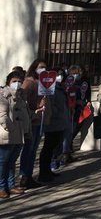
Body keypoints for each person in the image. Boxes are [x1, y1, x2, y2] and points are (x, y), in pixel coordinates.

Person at [18, 59, 49, 190]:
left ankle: (29, 175)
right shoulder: (29, 82)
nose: (43, 69)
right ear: (34, 67)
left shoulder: (43, 83)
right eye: (40, 67)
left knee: (33, 149)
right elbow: (21, 101)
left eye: (45, 67)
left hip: (39, 121)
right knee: (28, 150)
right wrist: (35, 109)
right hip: (31, 121)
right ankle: (24, 176)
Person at [0, 71, 32, 198]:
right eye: (14, 81)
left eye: (19, 81)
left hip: (19, 135)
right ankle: (1, 187)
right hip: (7, 135)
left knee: (12, 162)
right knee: (2, 162)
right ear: (8, 82)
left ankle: (11, 185)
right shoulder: (3, 96)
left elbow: (25, 115)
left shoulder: (21, 96)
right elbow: (2, 116)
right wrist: (11, 129)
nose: (17, 84)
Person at [40, 68, 68, 181]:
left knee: (53, 146)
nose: (60, 77)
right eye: (57, 75)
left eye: (61, 75)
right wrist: (58, 112)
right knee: (48, 147)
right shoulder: (52, 89)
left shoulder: (61, 88)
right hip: (53, 122)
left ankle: (48, 171)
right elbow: (50, 105)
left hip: (60, 122)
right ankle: (43, 172)